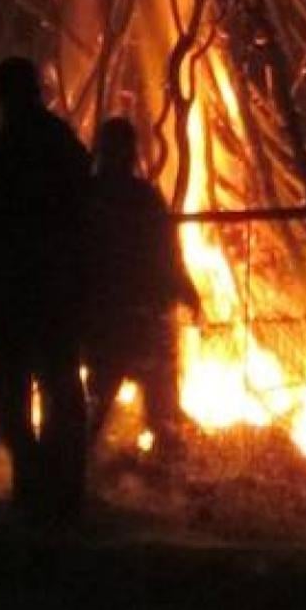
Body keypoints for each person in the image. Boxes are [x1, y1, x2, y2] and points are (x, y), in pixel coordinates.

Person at [0, 56, 92, 520]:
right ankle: (52, 485)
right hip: (32, 295)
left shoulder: (24, 150)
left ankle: (50, 486)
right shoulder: (53, 148)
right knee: (38, 393)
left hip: (27, 294)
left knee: (27, 393)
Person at [82, 118, 200, 457]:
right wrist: (181, 286)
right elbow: (166, 251)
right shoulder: (120, 196)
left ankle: (97, 468)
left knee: (127, 396)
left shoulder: (106, 195)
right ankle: (90, 469)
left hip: (120, 317)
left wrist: (183, 286)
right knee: (116, 396)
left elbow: (166, 248)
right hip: (123, 316)